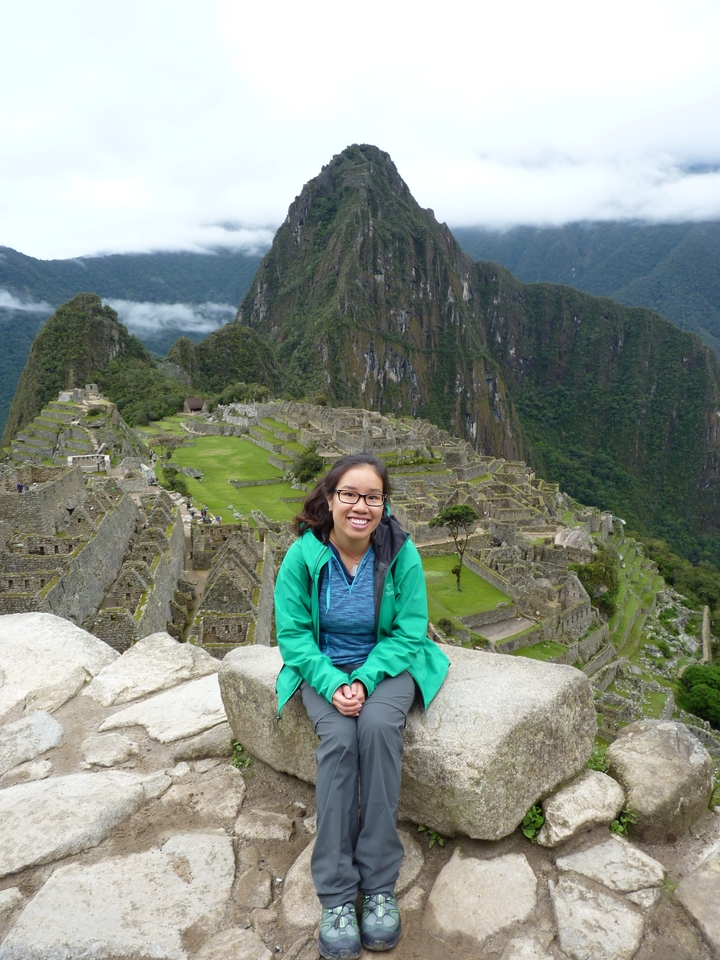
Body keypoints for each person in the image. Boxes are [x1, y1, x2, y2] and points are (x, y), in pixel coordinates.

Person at [274, 453, 449, 959]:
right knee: (339, 740)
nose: (361, 506)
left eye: (372, 497)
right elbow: (294, 637)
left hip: (389, 665)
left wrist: (366, 680)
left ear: (383, 505)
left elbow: (410, 630)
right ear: (329, 500)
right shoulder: (303, 558)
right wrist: (333, 684)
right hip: (322, 668)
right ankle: (334, 891)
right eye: (349, 494)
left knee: (375, 729)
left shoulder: (400, 554)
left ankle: (377, 885)